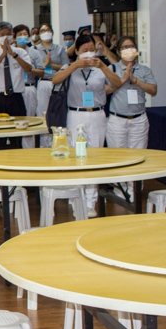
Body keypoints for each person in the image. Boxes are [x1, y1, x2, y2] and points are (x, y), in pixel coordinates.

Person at [51, 34, 122, 216]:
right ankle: (78, 200)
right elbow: (55, 80)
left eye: (92, 49)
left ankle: (90, 202)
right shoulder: (70, 67)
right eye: (85, 50)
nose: (89, 53)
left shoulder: (101, 68)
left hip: (97, 114)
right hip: (75, 114)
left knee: (94, 157)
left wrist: (103, 66)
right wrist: (75, 65)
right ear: (76, 51)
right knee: (77, 155)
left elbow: (117, 83)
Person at [106, 36, 157, 150]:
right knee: (117, 156)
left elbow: (153, 90)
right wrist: (122, 80)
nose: (129, 49)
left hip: (138, 120)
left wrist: (135, 80)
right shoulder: (112, 69)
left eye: (131, 46)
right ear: (119, 52)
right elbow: (104, 90)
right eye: (125, 47)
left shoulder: (144, 70)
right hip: (117, 120)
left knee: (138, 155)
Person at [0, 22, 32, 130]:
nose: (5, 37)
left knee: (18, 132)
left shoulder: (20, 52)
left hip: (16, 97)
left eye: (8, 34)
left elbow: (29, 69)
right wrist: (2, 56)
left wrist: (14, 56)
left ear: (13, 35)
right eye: (2, 34)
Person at [14, 25, 45, 148]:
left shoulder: (34, 52)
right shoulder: (10, 51)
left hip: (29, 87)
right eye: (19, 34)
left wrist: (30, 69)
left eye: (25, 34)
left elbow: (42, 72)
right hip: (15, 90)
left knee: (28, 119)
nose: (23, 37)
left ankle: (28, 148)